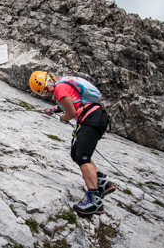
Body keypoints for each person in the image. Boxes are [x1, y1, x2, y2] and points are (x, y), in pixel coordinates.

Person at [29, 71, 115, 215]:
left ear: (49, 80)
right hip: (95, 117)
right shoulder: (64, 84)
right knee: (76, 154)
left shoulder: (59, 87)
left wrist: (64, 118)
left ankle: (94, 201)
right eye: (44, 92)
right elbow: (70, 103)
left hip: (91, 118)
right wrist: (53, 110)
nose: (47, 92)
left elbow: (71, 113)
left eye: (46, 88)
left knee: (82, 157)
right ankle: (101, 182)